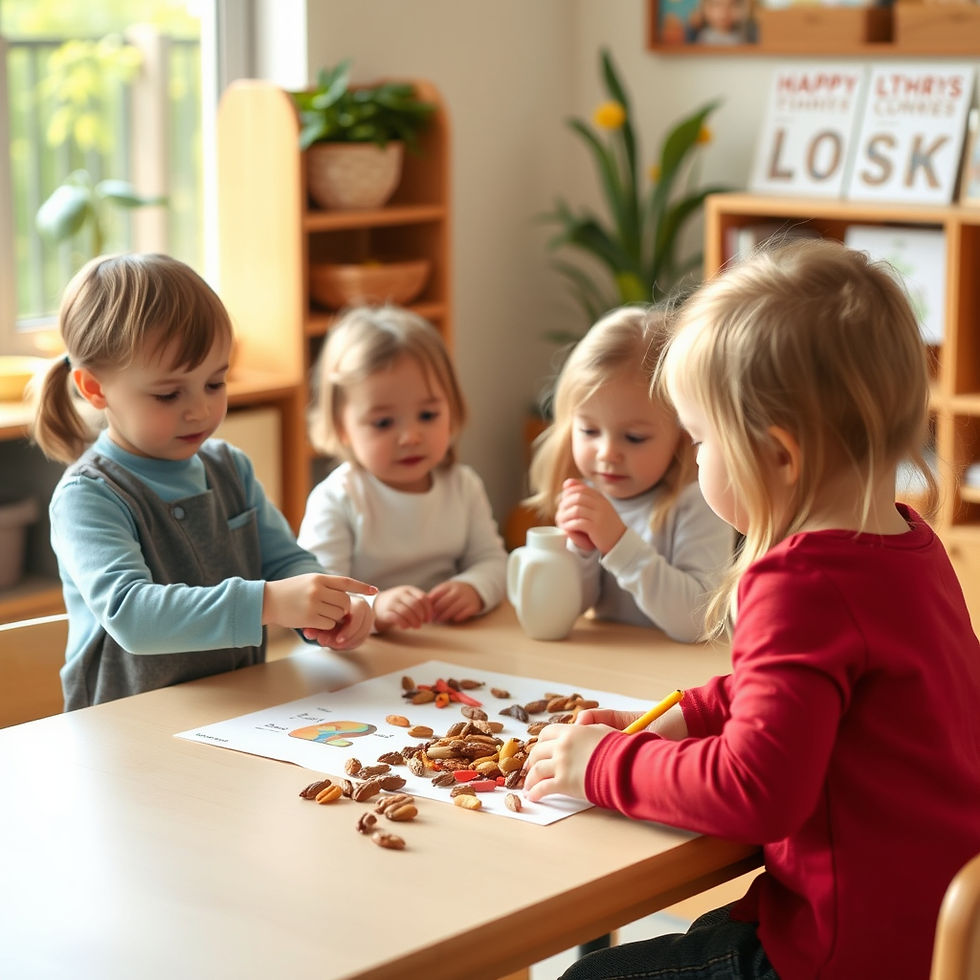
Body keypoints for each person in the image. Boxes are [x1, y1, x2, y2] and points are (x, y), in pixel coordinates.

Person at [523, 239, 980, 979]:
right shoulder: (908, 544)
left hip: (843, 953)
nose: (694, 460)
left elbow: (754, 792)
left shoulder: (798, 578)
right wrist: (687, 716)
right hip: (934, 931)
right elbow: (812, 692)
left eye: (700, 440)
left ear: (778, 453)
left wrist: (603, 763)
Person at [33, 253, 376, 711]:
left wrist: (327, 610)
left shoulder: (230, 468)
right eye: (169, 393)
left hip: (238, 710)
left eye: (215, 384)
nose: (199, 410)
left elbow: (283, 561)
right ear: (95, 389)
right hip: (127, 727)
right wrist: (269, 603)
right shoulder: (88, 497)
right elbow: (132, 615)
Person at [526, 306, 733, 643]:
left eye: (634, 437)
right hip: (613, 669)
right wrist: (580, 553)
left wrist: (618, 543)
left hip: (676, 678)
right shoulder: (593, 494)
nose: (607, 453)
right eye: (589, 431)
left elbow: (698, 623)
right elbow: (574, 610)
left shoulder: (700, 501)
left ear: (683, 435)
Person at [298, 306, 506, 632]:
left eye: (427, 416)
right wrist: (375, 607)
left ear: (451, 407)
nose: (410, 437)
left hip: (450, 648)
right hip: (362, 656)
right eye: (383, 422)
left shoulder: (463, 486)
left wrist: (474, 588)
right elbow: (317, 594)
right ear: (342, 427)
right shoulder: (337, 498)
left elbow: (493, 562)